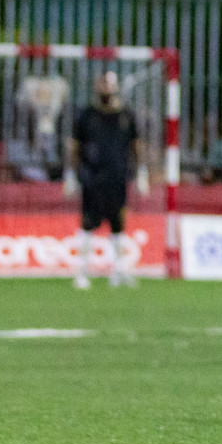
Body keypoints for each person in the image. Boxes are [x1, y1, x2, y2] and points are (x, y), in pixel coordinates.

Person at [64, 72, 145, 288]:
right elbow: (74, 146)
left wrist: (141, 172)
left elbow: (136, 145)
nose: (106, 90)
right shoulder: (87, 115)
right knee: (88, 222)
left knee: (118, 222)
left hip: (118, 177)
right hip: (92, 177)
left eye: (109, 86)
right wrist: (71, 174)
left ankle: (118, 271)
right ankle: (81, 271)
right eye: (103, 85)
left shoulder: (126, 116)